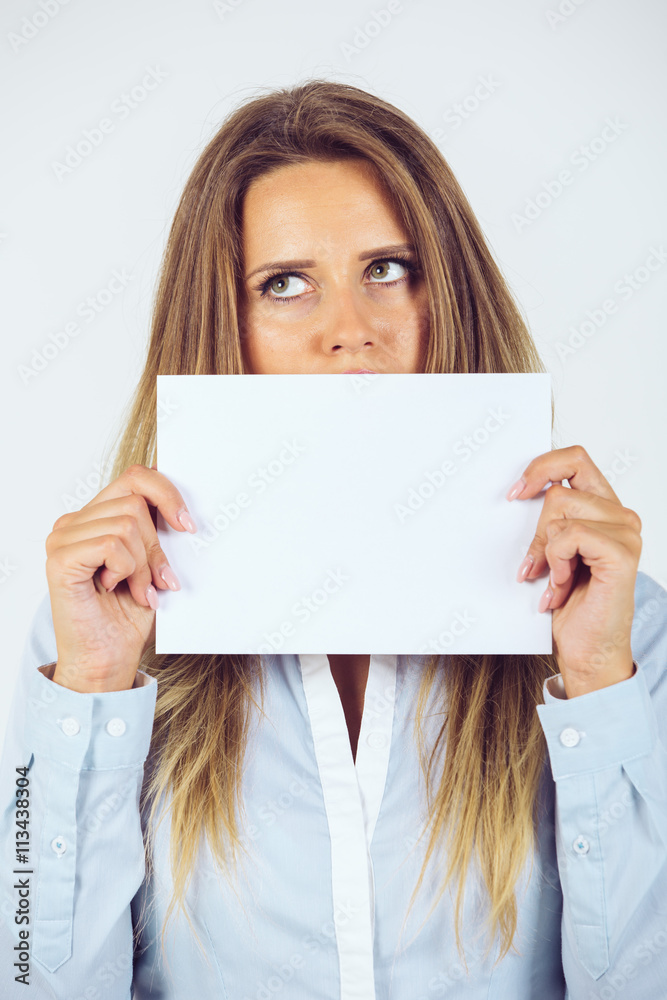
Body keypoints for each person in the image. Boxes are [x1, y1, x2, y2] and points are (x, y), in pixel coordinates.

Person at [1, 78, 666, 999]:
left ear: (449, 297)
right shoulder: (105, 627)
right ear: (224, 329)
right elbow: (33, 977)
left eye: (387, 269)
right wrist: (92, 690)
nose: (349, 333)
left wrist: (595, 683)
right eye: (284, 284)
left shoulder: (615, 624)